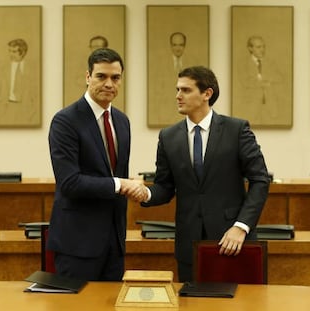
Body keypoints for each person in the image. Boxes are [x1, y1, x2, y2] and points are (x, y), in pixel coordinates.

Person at [135, 66, 270, 282]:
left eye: (186, 90)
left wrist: (241, 226)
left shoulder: (236, 130)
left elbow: (260, 180)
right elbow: (165, 186)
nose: (178, 96)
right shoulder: (168, 137)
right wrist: (146, 194)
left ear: (207, 94)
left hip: (233, 240)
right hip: (189, 244)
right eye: (177, 90)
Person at [47, 48, 142, 281]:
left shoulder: (122, 121)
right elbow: (69, 182)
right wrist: (120, 184)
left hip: (115, 242)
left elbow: (116, 173)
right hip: (77, 244)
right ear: (88, 76)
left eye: (116, 78)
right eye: (101, 76)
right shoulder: (65, 121)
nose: (109, 84)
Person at [234, 35, 288, 126]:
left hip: (270, 106)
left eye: (263, 46)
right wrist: (264, 83)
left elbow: (280, 77)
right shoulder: (243, 64)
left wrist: (263, 79)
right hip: (251, 106)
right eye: (259, 47)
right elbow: (245, 82)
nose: (262, 49)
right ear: (250, 48)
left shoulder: (270, 63)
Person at [0, 38, 39, 125]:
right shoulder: (3, 68)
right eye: (10, 51)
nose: (11, 54)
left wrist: (32, 112)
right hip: (6, 108)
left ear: (22, 53)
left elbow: (35, 94)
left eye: (14, 51)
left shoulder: (32, 69)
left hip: (25, 110)